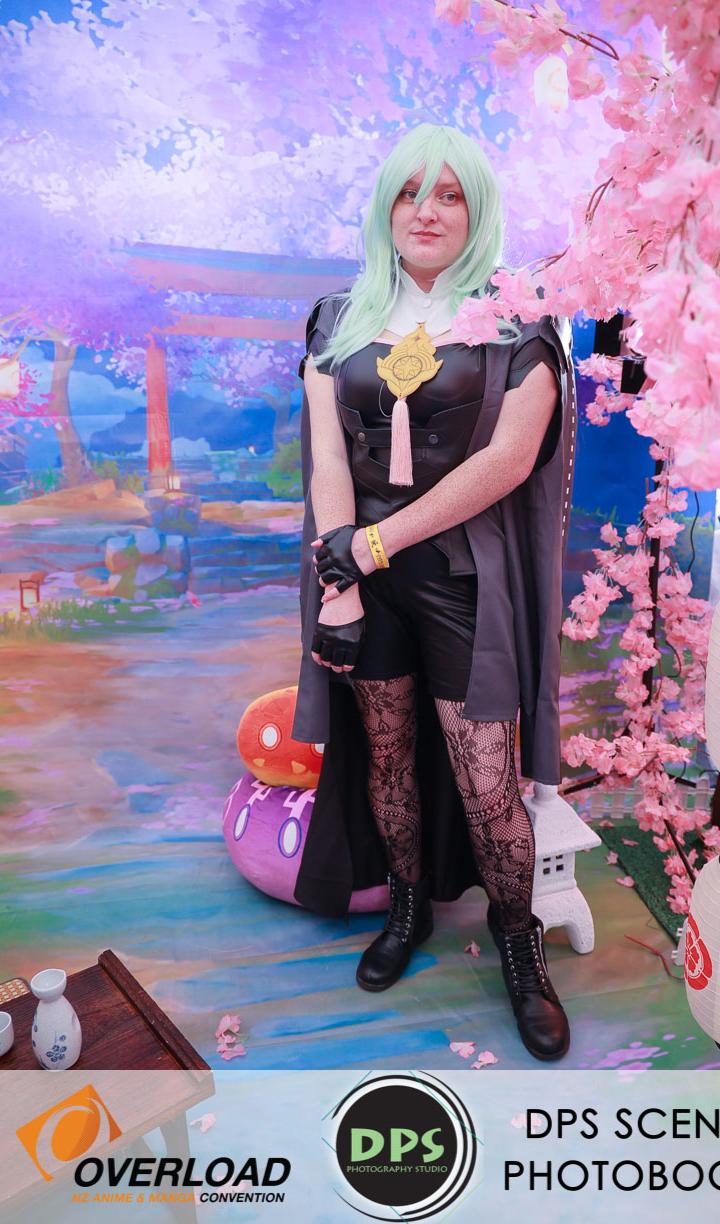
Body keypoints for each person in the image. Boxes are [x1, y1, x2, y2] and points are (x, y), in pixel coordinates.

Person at [291, 123, 576, 1061]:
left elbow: (508, 462)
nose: (426, 210)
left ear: (476, 211)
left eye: (449, 194)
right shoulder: (337, 319)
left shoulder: (518, 323)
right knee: (388, 759)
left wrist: (372, 546)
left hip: (463, 579)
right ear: (386, 206)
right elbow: (329, 457)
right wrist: (341, 583)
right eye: (411, 192)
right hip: (364, 582)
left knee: (489, 782)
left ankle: (519, 943)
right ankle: (407, 907)